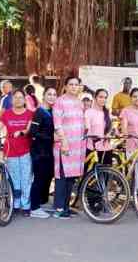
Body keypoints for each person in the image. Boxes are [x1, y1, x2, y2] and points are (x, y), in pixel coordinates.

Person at [0, 90, 34, 216]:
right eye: (16, 97)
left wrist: (21, 132)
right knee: (14, 179)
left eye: (21, 98)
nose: (18, 100)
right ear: (12, 100)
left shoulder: (30, 114)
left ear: (24, 100)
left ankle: (26, 205)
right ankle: (15, 204)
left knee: (26, 179)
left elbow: (28, 130)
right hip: (10, 151)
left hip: (26, 151)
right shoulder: (7, 114)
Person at [52, 77, 86, 219]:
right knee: (62, 177)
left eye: (76, 85)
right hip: (64, 145)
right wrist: (64, 141)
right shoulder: (60, 101)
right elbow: (57, 124)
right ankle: (59, 209)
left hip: (77, 146)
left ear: (79, 87)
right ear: (65, 86)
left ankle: (66, 206)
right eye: (70, 84)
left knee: (71, 178)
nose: (73, 87)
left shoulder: (79, 102)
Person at [28, 87, 58, 219]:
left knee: (48, 177)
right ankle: (34, 208)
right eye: (49, 94)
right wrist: (51, 137)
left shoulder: (53, 111)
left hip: (49, 151)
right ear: (44, 96)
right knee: (39, 179)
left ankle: (41, 202)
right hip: (39, 152)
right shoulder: (39, 112)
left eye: (54, 94)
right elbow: (33, 132)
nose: (52, 97)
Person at [86, 89, 115, 164]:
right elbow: (87, 128)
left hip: (107, 149)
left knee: (106, 173)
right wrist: (93, 136)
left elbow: (113, 129)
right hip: (93, 148)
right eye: (101, 97)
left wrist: (110, 134)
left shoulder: (107, 113)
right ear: (95, 98)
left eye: (105, 98)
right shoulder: (89, 112)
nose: (103, 100)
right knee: (91, 174)